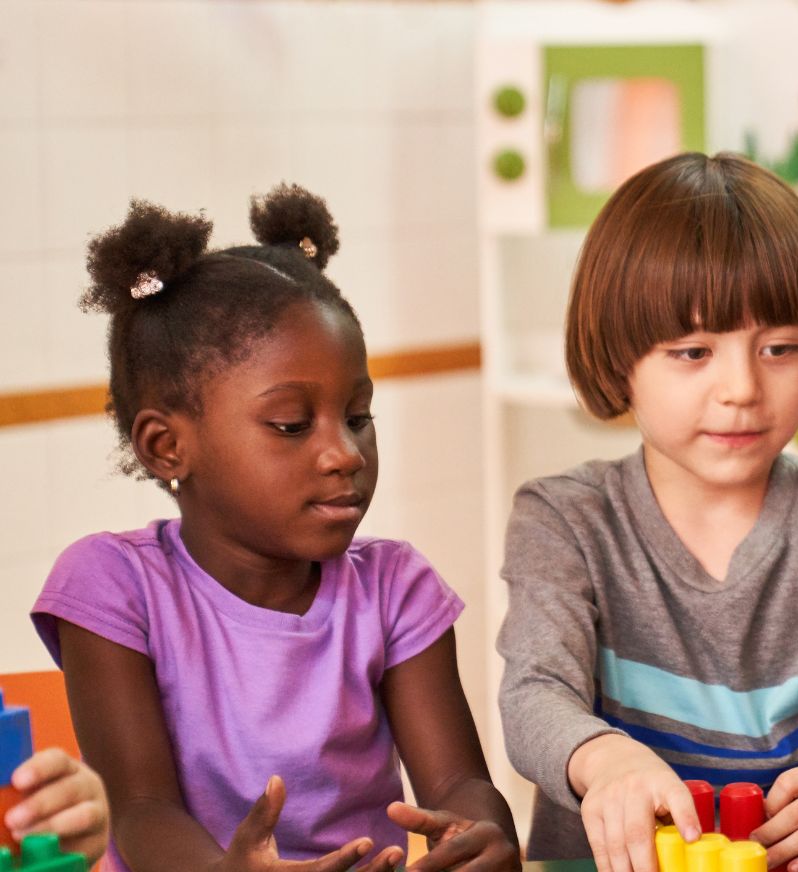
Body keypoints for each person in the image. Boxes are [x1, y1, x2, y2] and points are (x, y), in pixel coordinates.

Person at [34, 187, 519, 871]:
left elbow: (455, 785)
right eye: (292, 425)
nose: (344, 454)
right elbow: (141, 809)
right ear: (167, 447)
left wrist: (482, 832)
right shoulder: (113, 587)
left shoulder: (395, 588)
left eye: (357, 417)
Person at [497, 153, 798, 872]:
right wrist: (606, 760)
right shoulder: (564, 519)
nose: (741, 387)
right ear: (617, 363)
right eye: (693, 352)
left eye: (779, 348)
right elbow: (535, 696)